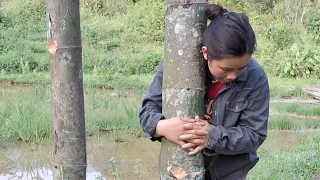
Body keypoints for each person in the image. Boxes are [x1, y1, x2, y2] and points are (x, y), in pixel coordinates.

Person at [139, 3, 270, 180]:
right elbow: (147, 112)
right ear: (206, 53)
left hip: (229, 173)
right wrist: (161, 127)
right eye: (225, 69)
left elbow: (254, 134)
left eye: (241, 68)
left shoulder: (256, 77)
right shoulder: (178, 66)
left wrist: (212, 136)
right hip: (178, 169)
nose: (233, 76)